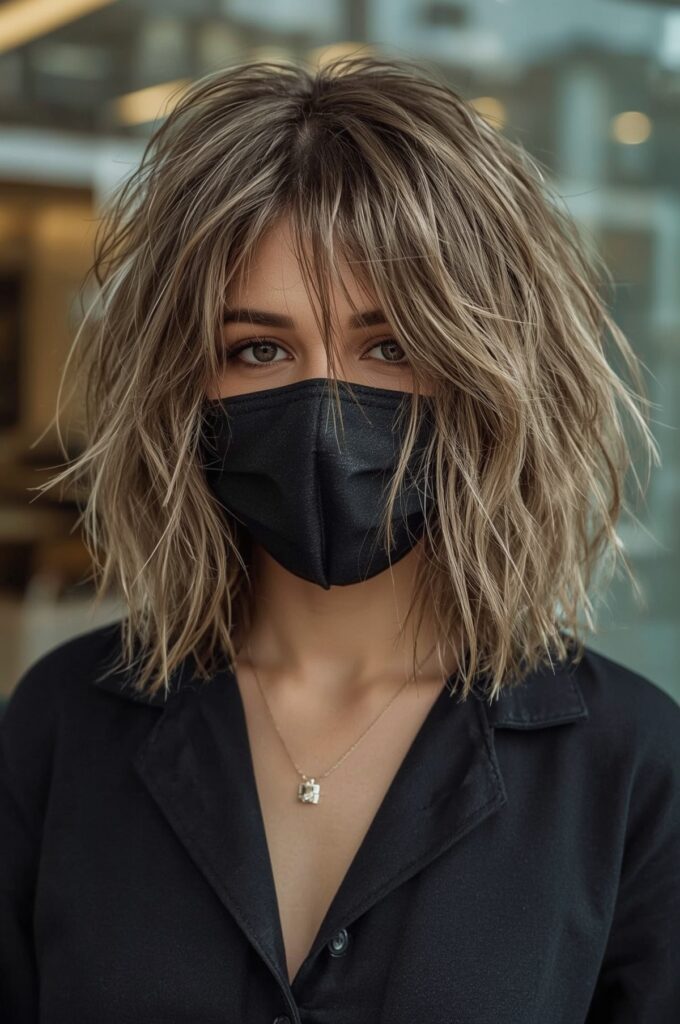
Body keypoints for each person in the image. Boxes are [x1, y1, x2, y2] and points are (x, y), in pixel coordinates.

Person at [1, 55, 679, 1024]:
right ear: (186, 386)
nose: (324, 409)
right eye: (259, 349)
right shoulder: (62, 725)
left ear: (486, 368)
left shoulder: (630, 765)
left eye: (390, 344)